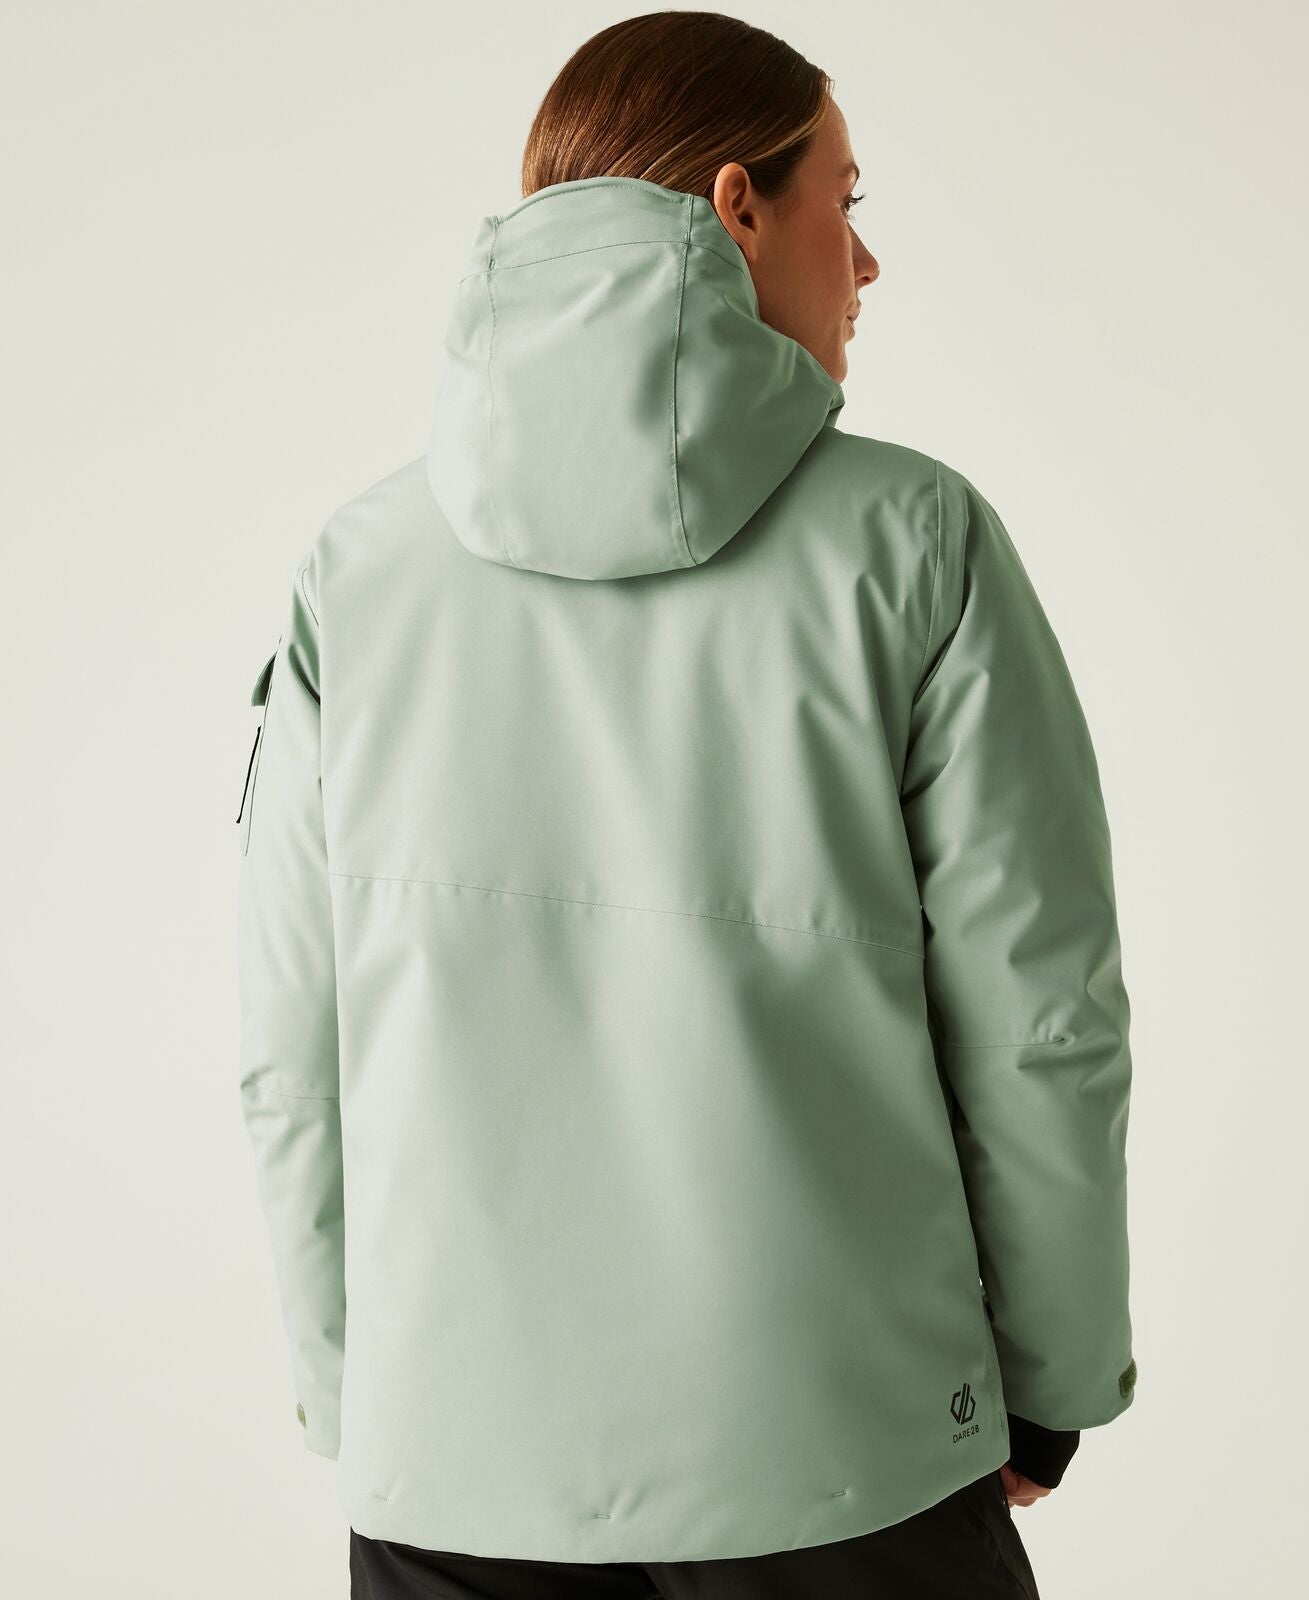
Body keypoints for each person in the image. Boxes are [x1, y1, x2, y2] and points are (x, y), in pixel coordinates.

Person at [233, 12, 1136, 1598]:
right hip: (847, 1459)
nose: (865, 263)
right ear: (737, 208)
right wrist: (1051, 1378)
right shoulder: (917, 544)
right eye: (844, 202)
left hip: (454, 1477)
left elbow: (286, 1046)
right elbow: (1040, 1017)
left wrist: (352, 1389)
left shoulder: (356, 575)